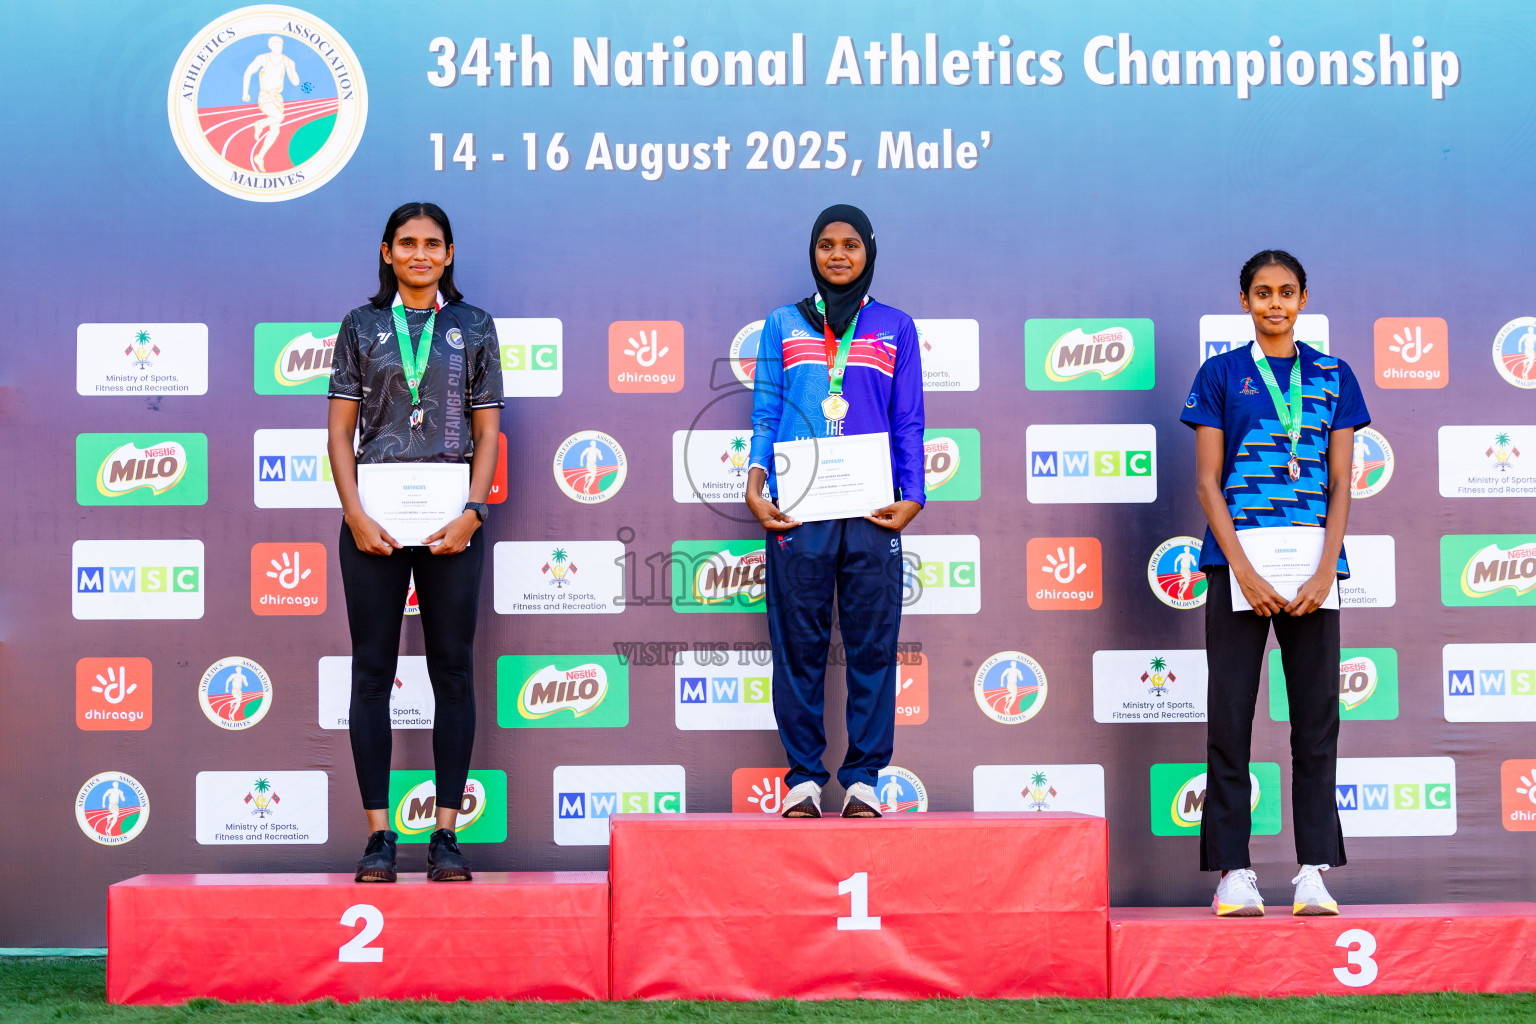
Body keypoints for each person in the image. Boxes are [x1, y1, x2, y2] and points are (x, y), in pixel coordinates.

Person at [1181, 250, 1370, 917]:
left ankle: (1313, 871)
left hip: (1314, 575)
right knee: (1230, 720)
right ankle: (1233, 872)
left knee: (1316, 723)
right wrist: (1244, 571)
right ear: (1244, 301)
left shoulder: (1334, 375)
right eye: (1262, 293)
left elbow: (1342, 482)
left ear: (1303, 299)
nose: (1275, 304)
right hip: (1238, 570)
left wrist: (1325, 569)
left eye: (1287, 292)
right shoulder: (1220, 374)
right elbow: (1207, 482)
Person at [327, 202, 503, 882]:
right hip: (372, 523)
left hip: (451, 523)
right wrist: (353, 514)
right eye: (407, 243)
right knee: (371, 672)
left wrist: (473, 512)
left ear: (449, 254)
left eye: (432, 243)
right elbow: (340, 431)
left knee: (452, 670)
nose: (420, 254)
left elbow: (486, 432)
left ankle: (446, 835)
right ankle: (379, 837)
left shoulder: (474, 325)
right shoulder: (361, 325)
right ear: (387, 251)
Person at [745, 204, 925, 819]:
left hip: (873, 509)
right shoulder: (782, 325)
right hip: (799, 508)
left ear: (869, 250)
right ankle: (802, 779)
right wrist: (756, 482)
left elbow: (907, 419)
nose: (838, 255)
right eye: (826, 244)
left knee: (872, 644)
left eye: (851, 244)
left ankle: (864, 779)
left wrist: (913, 493)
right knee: (798, 643)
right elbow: (766, 413)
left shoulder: (895, 327)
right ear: (813, 253)